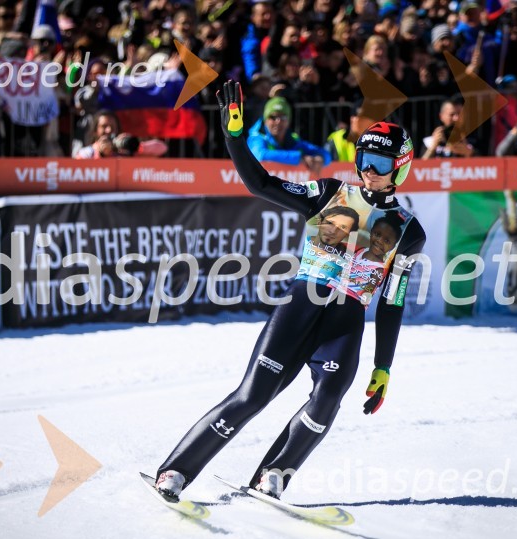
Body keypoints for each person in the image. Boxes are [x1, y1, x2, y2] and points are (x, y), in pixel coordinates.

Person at [153, 81, 426, 500]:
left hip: (345, 321)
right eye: (364, 158)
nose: (369, 169)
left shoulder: (410, 232)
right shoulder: (330, 192)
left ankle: (274, 475)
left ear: (401, 168)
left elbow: (393, 302)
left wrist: (383, 367)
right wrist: (234, 137)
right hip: (300, 306)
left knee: (327, 401)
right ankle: (175, 471)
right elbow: (261, 185)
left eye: (380, 162)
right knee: (252, 396)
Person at [248, 96, 331, 175]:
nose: (278, 121)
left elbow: (326, 155)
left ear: (289, 121)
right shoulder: (256, 137)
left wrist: (321, 158)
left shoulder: (293, 139)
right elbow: (260, 155)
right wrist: (299, 158)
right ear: (265, 119)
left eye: (283, 117)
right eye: (273, 117)